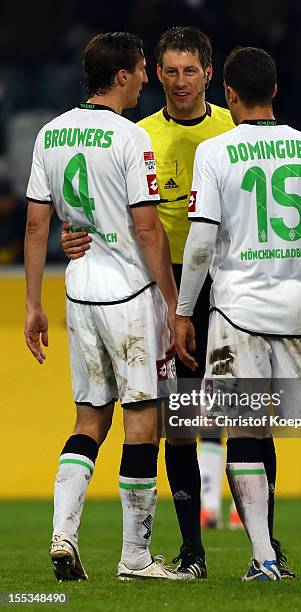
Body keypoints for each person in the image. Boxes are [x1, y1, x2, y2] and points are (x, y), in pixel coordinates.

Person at [61, 27, 294, 579]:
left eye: (191, 71)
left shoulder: (233, 131)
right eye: (170, 70)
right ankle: (193, 548)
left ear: (211, 76)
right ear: (156, 74)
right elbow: (100, 214)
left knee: (248, 420)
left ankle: (266, 544)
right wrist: (73, 236)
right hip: (171, 297)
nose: (180, 81)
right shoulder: (137, 135)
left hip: (232, 292)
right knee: (181, 424)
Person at [175, 46, 301, 582]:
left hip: (235, 311)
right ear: (275, 90)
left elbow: (199, 245)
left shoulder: (217, 153)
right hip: (297, 308)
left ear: (227, 94)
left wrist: (182, 312)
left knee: (245, 431)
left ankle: (264, 559)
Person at [24, 32, 183, 582]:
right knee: (142, 418)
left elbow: (36, 223)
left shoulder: (50, 132)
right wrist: (171, 298)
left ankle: (63, 533)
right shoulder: (130, 137)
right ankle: (135, 557)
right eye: (142, 70)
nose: (147, 78)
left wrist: (32, 305)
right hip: (130, 295)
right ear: (121, 76)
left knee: (88, 420)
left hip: (78, 290)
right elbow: (146, 227)